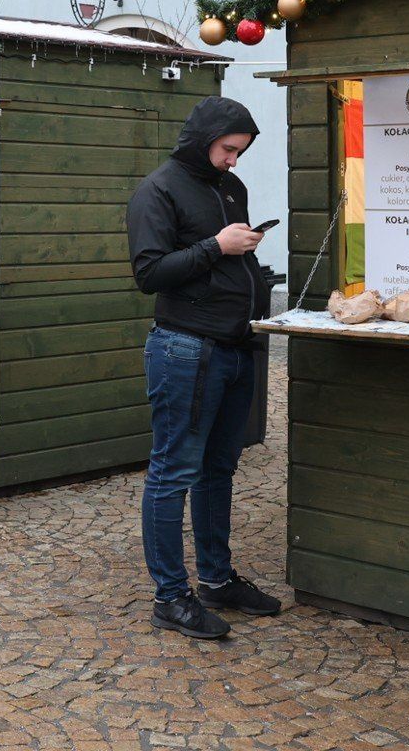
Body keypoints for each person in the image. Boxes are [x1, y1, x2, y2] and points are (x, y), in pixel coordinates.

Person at [126, 95, 281, 639]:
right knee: (173, 473)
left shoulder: (230, 188)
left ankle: (216, 579)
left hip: (236, 346)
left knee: (220, 469)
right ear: (204, 139)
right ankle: (170, 596)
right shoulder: (157, 191)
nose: (234, 160)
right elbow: (149, 274)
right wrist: (218, 245)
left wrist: (253, 265)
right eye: (228, 149)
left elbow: (228, 259)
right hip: (184, 349)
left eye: (240, 152)